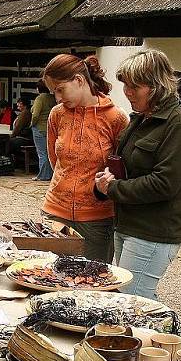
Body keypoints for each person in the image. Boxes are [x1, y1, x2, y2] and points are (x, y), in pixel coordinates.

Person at [94, 49, 181, 299]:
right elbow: (125, 166)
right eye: (126, 85)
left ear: (156, 86)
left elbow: (164, 184)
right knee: (127, 298)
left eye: (135, 86)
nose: (127, 92)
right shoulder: (141, 119)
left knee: (134, 300)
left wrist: (113, 188)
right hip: (128, 225)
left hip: (153, 231)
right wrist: (105, 180)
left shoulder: (178, 125)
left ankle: (166, 338)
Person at [40, 54, 129, 263]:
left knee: (93, 284)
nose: (58, 98)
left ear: (79, 80)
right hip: (55, 213)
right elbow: (55, 161)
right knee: (46, 279)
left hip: (98, 219)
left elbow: (120, 168)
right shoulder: (56, 115)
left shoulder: (116, 118)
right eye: (54, 92)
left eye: (60, 90)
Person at [31, 80, 55, 181]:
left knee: (42, 153)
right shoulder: (52, 98)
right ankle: (50, 174)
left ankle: (43, 175)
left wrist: (32, 123)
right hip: (50, 128)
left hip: (39, 128)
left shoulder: (40, 98)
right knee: (50, 152)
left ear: (38, 88)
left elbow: (35, 114)